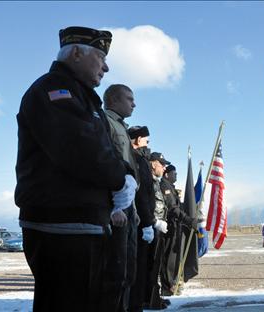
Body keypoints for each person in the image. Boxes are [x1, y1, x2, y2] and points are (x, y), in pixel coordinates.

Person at [15, 26, 137, 312]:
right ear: (77, 53)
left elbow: (102, 148)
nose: (106, 67)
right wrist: (121, 179)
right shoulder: (53, 90)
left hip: (80, 222)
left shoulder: (80, 95)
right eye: (100, 56)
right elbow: (80, 149)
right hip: (61, 226)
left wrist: (126, 175)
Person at [102, 84, 140, 312]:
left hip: (127, 206)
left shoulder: (121, 127)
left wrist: (132, 209)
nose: (134, 103)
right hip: (115, 206)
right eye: (129, 98)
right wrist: (112, 207)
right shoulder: (105, 121)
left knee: (128, 271)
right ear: (114, 100)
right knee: (115, 273)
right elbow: (106, 163)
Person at [127, 126, 158, 312]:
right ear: (138, 140)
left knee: (143, 269)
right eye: (146, 140)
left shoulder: (139, 159)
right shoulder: (135, 159)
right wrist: (147, 222)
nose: (147, 145)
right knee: (136, 271)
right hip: (139, 222)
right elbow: (140, 195)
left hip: (144, 220)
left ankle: (138, 303)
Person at [160, 165, 198, 296]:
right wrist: (188, 219)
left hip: (176, 227)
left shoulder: (171, 188)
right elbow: (172, 208)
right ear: (166, 174)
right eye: (174, 173)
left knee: (175, 258)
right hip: (169, 227)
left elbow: (178, 207)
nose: (176, 175)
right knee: (169, 259)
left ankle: (173, 282)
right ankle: (168, 286)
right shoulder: (165, 187)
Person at [147, 152, 171, 309]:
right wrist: (154, 222)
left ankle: (154, 298)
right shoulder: (149, 181)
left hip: (159, 227)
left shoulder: (156, 182)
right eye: (161, 164)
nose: (164, 167)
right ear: (153, 163)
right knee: (150, 267)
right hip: (152, 227)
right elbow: (147, 204)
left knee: (155, 266)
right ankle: (150, 299)